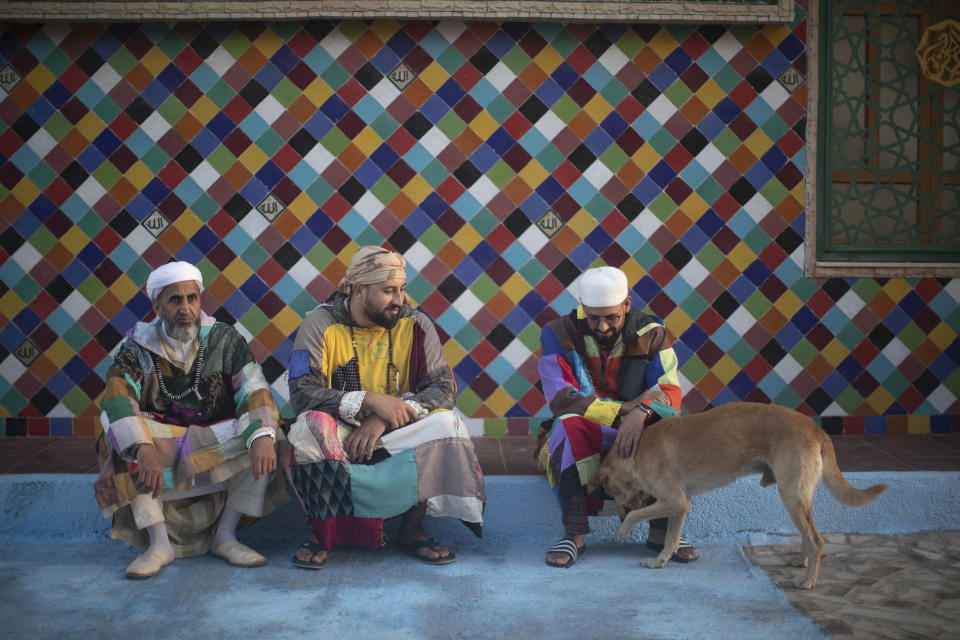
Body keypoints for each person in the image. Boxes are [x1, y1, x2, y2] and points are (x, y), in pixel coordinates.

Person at [284, 246, 485, 568]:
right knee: (310, 427)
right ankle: (324, 532)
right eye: (388, 291)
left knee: (447, 423)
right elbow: (301, 391)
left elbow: (443, 388)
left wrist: (382, 418)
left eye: (402, 290)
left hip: (397, 429)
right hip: (341, 433)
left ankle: (413, 529)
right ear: (359, 289)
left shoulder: (417, 324)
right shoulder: (319, 323)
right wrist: (368, 400)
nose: (399, 300)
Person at [94, 261, 288, 578]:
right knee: (120, 433)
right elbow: (116, 397)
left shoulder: (225, 340)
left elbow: (253, 389)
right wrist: (143, 448)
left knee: (267, 434)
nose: (186, 308)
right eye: (175, 300)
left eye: (192, 298)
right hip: (160, 442)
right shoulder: (136, 347)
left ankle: (226, 536)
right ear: (157, 305)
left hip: (211, 437)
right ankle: (159, 546)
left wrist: (262, 435)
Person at [537, 265, 696, 567]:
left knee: (669, 429)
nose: (602, 326)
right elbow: (561, 398)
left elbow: (669, 391)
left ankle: (662, 532)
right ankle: (573, 536)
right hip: (587, 425)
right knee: (567, 427)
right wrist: (625, 409)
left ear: (627, 304)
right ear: (582, 306)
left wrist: (643, 412)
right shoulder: (558, 332)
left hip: (641, 425)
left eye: (611, 317)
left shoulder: (653, 333)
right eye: (594, 317)